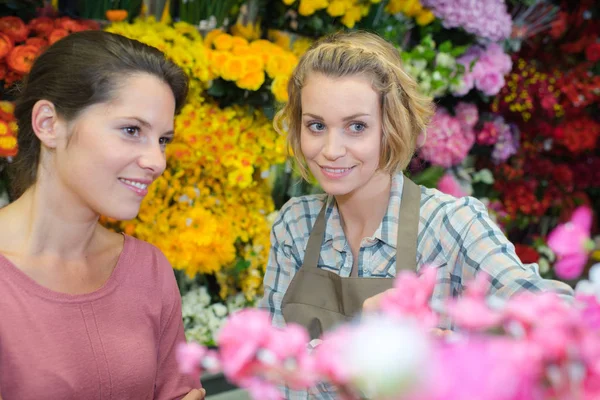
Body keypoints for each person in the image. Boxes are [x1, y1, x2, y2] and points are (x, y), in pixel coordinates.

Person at [258, 30, 573, 398]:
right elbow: (270, 365)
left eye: (356, 126)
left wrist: (465, 353)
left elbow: (560, 322)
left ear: (392, 127)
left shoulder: (450, 224)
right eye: (316, 126)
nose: (331, 149)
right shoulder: (295, 225)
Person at [0, 31, 205, 400]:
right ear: (48, 123)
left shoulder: (149, 270)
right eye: (131, 130)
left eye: (163, 140)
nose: (157, 162)